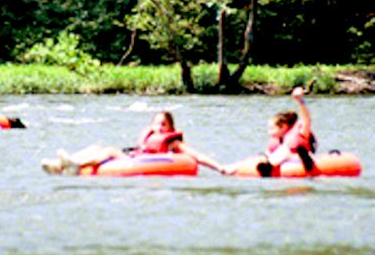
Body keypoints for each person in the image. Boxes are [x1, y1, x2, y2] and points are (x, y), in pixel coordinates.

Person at [42, 111, 225, 175]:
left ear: (170, 127)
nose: (159, 127)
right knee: (95, 147)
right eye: (156, 123)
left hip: (143, 163)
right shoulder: (150, 137)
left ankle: (75, 165)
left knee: (110, 151)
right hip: (135, 157)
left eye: (163, 124)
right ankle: (59, 165)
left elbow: (197, 156)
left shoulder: (173, 143)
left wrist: (220, 167)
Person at [244, 86, 317, 177]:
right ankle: (267, 165)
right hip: (282, 159)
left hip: (300, 157)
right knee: (268, 154)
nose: (269, 132)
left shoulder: (301, 132)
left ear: (283, 127)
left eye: (272, 128)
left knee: (285, 150)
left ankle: (269, 166)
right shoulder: (277, 142)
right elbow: (268, 153)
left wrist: (300, 101)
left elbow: (307, 119)